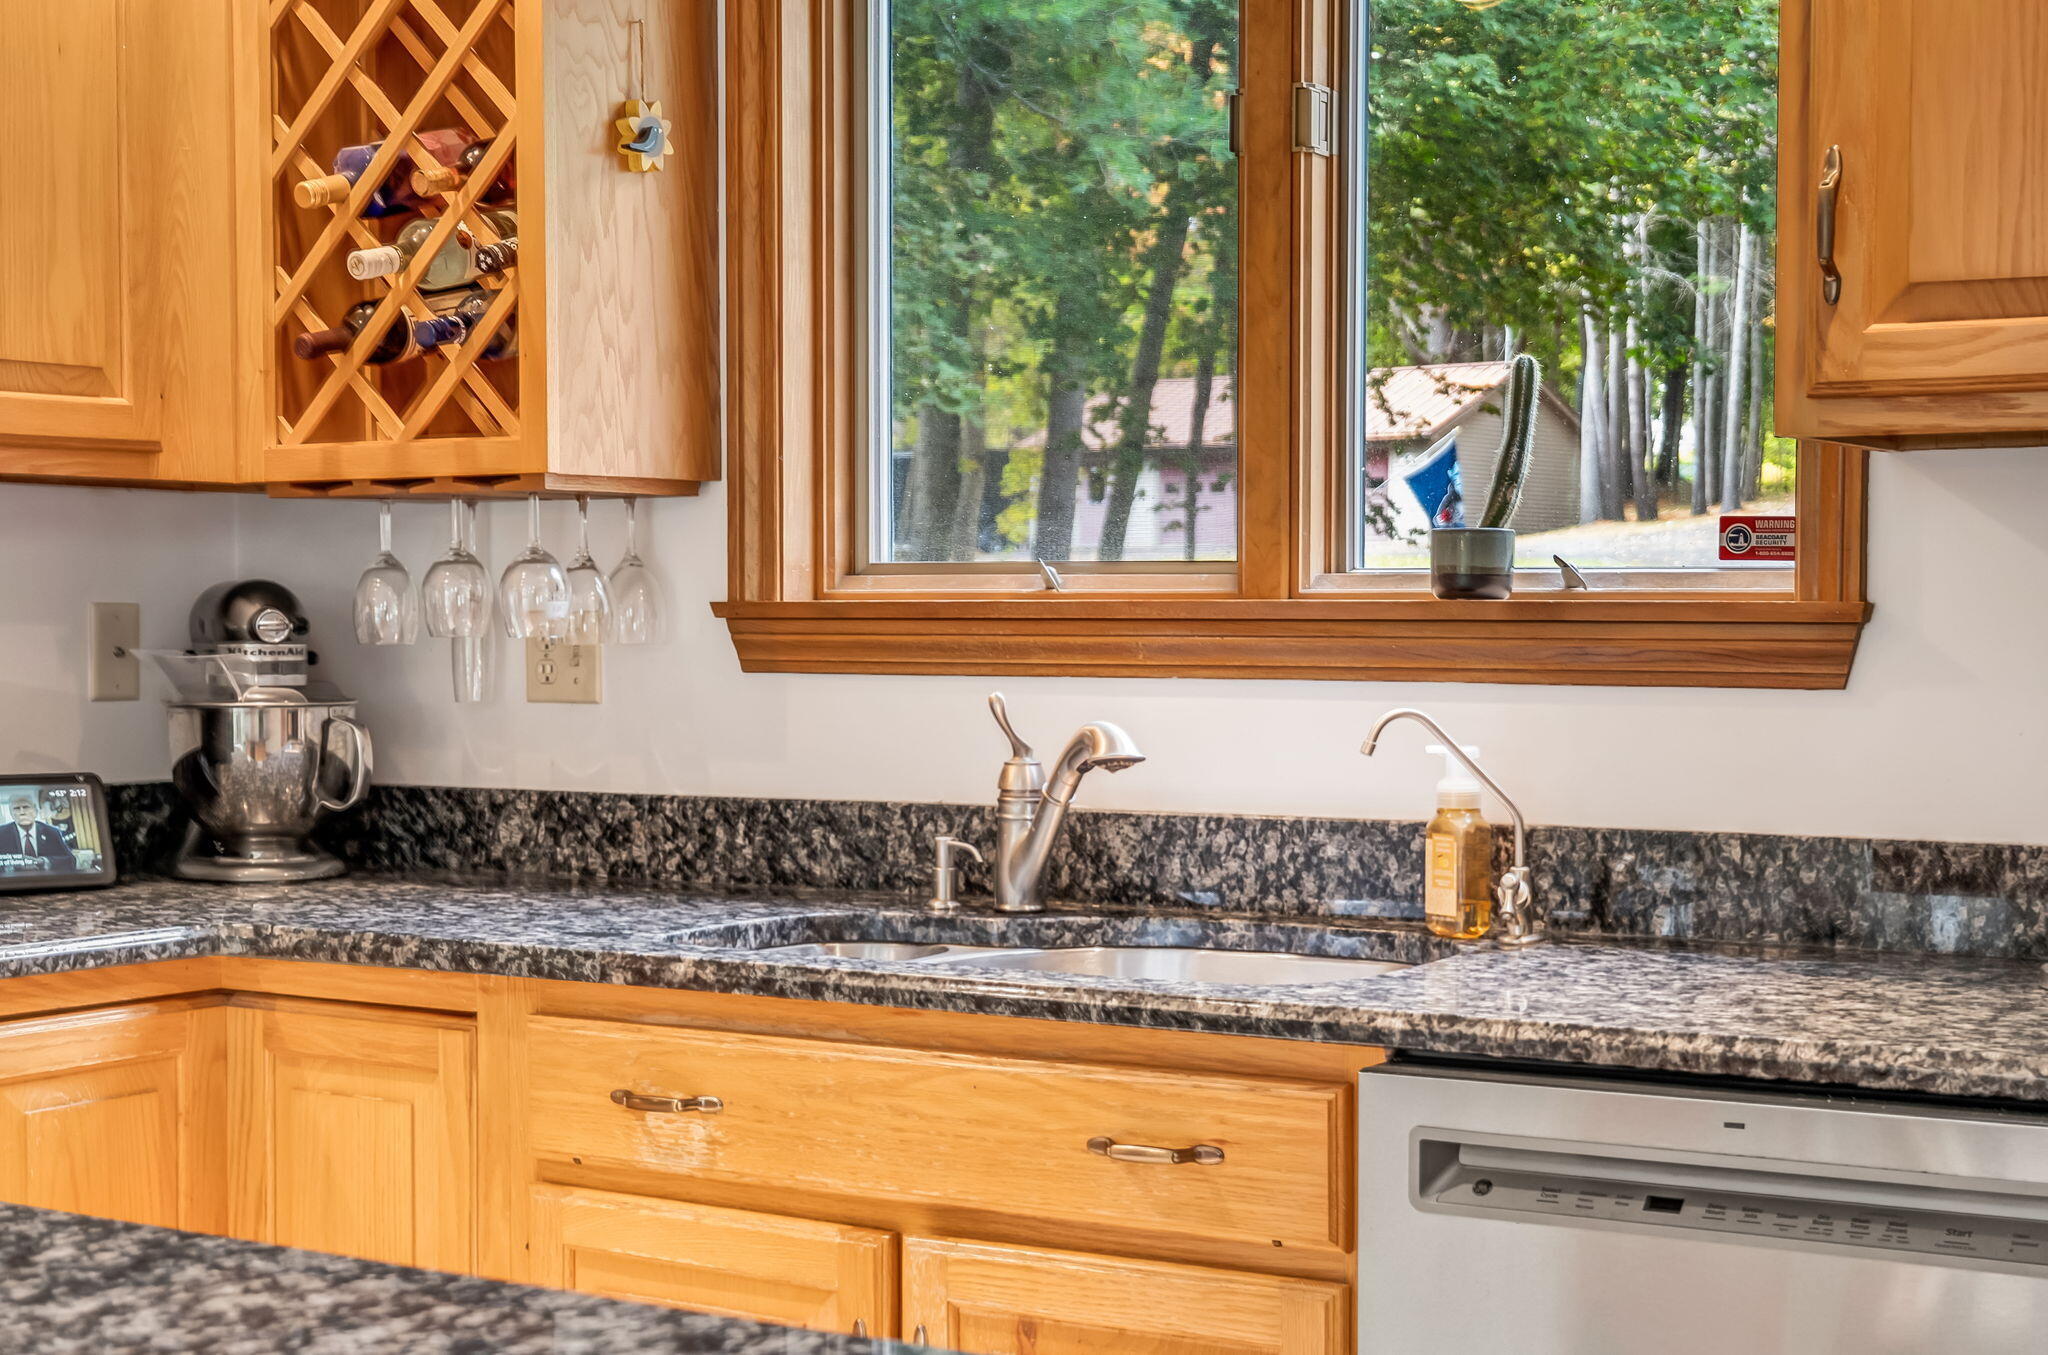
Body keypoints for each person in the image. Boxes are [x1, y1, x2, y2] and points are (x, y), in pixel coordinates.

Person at [2, 795, 76, 872]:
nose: (22, 812)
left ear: (35, 810)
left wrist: (43, 862)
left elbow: (70, 860)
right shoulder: (1, 833)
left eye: (26, 807)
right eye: (17, 808)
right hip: (13, 881)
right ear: (11, 813)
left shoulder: (52, 831)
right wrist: (13, 867)